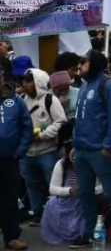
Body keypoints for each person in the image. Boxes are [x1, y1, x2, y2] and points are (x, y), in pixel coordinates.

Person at [71, 50, 111, 251]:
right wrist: (74, 144)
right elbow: (80, 119)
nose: (79, 66)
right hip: (81, 150)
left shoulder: (108, 85)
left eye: (84, 62)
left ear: (95, 63)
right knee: (85, 192)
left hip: (100, 150)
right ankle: (89, 233)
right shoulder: (84, 86)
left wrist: (109, 144)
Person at [19, 68, 67, 226]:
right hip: (27, 152)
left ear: (37, 82)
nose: (25, 85)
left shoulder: (50, 100)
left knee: (51, 183)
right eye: (24, 82)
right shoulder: (21, 100)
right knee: (31, 183)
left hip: (47, 150)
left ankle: (58, 212)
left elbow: (61, 122)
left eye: (29, 82)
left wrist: (43, 135)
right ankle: (38, 213)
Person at [0, 69, 33, 251]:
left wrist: (19, 151)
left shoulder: (15, 101)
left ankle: (12, 237)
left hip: (10, 159)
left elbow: (27, 127)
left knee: (10, 199)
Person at [42, 150, 99, 245]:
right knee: (50, 204)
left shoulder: (93, 163)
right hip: (65, 200)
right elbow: (52, 189)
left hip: (84, 200)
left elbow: (101, 187)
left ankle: (85, 235)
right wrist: (69, 191)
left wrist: (87, 191)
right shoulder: (61, 164)